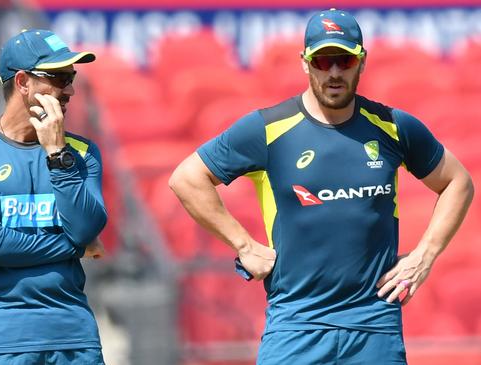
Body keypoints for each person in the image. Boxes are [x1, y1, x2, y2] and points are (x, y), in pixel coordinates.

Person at [169, 8, 474, 365]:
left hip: (374, 329)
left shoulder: (393, 126)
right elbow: (187, 178)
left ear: (361, 62)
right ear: (305, 62)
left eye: (344, 60)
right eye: (322, 60)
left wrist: (425, 256)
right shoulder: (268, 130)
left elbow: (457, 182)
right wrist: (243, 244)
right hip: (295, 328)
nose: (333, 72)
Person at [0, 29, 108, 365]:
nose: (70, 89)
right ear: (23, 82)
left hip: (75, 340)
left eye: (71, 77)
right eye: (59, 78)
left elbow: (87, 227)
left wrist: (57, 154)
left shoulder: (80, 152)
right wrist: (70, 246)